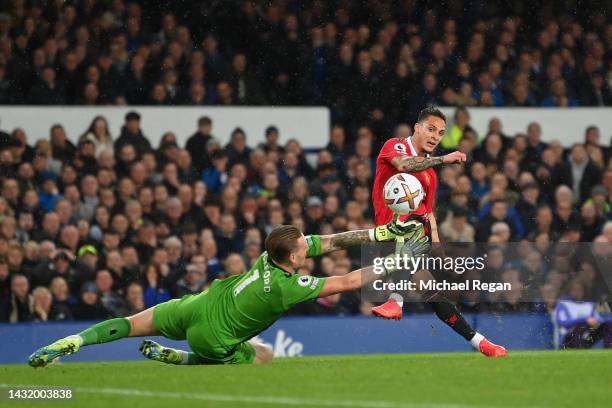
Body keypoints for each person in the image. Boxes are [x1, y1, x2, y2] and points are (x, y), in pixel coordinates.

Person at [28, 223, 421, 367]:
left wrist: (382, 234)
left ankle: (75, 340)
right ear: (294, 256)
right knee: (264, 357)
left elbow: (332, 241)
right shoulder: (286, 287)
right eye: (305, 246)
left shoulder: (269, 256)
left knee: (130, 324)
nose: (310, 247)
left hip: (198, 304)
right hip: (213, 338)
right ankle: (184, 360)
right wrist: (398, 258)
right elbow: (350, 282)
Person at [369, 106, 506, 357]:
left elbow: (428, 212)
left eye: (441, 133)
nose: (435, 136)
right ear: (417, 127)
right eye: (430, 129)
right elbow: (405, 165)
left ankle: (480, 342)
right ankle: (395, 299)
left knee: (431, 290)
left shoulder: (430, 176)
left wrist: (438, 249)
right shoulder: (396, 146)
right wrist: (444, 159)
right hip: (387, 234)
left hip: (411, 239)